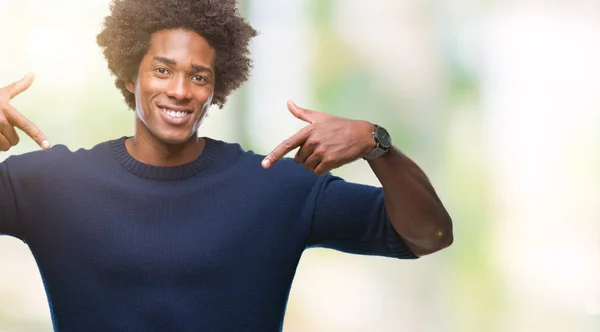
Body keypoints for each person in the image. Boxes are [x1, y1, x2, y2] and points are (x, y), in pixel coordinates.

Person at [0, 0, 453, 331]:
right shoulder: (52, 185)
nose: (180, 90)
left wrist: (379, 147)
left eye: (199, 76)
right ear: (128, 75)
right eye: (162, 70)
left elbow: (430, 235)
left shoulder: (276, 187)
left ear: (216, 89)